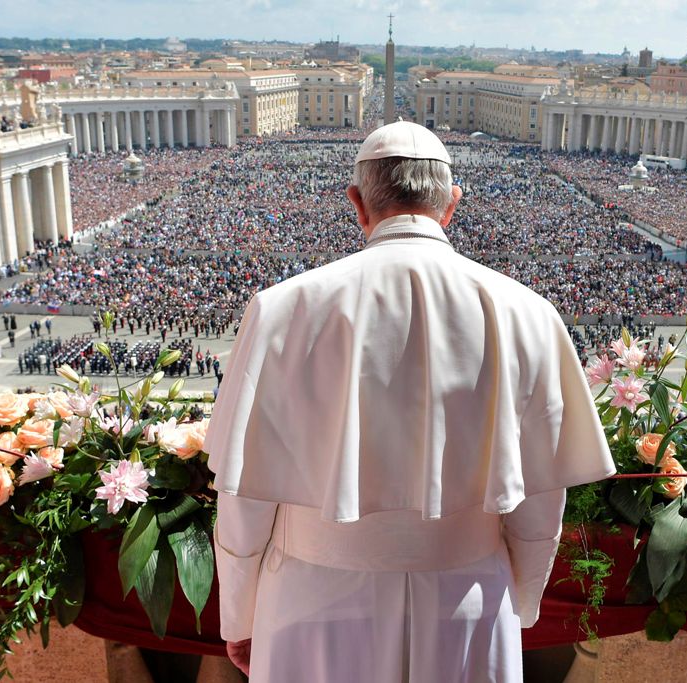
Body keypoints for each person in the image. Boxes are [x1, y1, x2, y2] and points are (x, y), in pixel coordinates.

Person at [205, 121, 615, 682]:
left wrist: (239, 615)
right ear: (452, 205)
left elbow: (244, 496)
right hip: (466, 596)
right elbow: (540, 500)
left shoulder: (282, 308)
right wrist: (520, 600)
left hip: (312, 598)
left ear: (356, 203)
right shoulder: (530, 313)